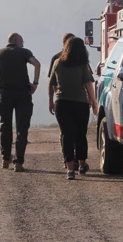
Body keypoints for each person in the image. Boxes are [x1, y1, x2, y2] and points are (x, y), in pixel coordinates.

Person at [49, 37, 99, 180]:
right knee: (80, 135)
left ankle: (70, 168)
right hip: (80, 103)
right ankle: (82, 166)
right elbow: (89, 84)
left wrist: (55, 98)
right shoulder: (83, 64)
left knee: (66, 135)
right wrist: (94, 102)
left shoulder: (57, 63)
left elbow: (53, 83)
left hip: (62, 103)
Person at [0, 33, 41, 172]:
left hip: (5, 94)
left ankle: (5, 159)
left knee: (5, 127)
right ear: (16, 40)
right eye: (22, 41)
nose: (23, 44)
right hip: (23, 94)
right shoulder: (24, 52)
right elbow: (37, 64)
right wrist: (35, 83)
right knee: (22, 129)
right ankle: (19, 162)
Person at [50, 32, 75, 168]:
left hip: (61, 99)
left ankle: (67, 159)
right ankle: (72, 158)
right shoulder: (80, 57)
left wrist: (53, 98)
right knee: (75, 130)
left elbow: (51, 83)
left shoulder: (56, 58)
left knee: (65, 131)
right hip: (76, 99)